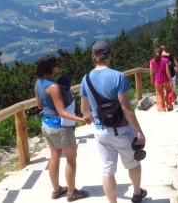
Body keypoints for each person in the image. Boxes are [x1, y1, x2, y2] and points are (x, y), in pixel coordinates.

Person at [80, 41, 148, 203]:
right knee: (133, 163)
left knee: (107, 170)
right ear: (109, 55)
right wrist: (138, 130)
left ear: (93, 57)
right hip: (122, 129)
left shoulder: (86, 79)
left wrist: (91, 117)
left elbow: (84, 110)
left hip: (101, 130)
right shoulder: (118, 76)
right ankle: (137, 193)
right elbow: (126, 107)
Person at [34, 54, 91, 202]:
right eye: (56, 64)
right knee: (71, 160)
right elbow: (62, 112)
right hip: (60, 127)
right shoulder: (53, 87)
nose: (58, 66)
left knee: (55, 156)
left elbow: (40, 105)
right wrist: (81, 119)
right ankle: (72, 193)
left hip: (46, 125)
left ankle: (57, 190)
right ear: (52, 68)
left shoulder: (38, 84)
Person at [150, 47, 172, 112]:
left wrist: (152, 81)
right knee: (168, 92)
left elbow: (151, 73)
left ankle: (161, 108)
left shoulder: (152, 61)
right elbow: (168, 71)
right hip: (166, 80)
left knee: (159, 94)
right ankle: (169, 106)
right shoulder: (165, 60)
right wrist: (170, 80)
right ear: (161, 52)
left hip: (157, 81)